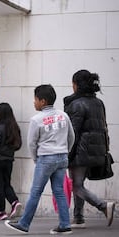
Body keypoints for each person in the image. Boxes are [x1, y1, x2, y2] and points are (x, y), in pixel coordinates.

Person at [4, 84, 75, 234]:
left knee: (36, 191)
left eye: (35, 99)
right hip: (62, 157)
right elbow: (71, 137)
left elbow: (31, 143)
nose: (34, 102)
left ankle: (24, 224)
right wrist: (64, 152)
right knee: (59, 191)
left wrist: (36, 159)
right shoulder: (64, 115)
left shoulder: (37, 119)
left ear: (42, 101)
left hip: (46, 158)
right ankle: (65, 224)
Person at [63, 69, 115, 228]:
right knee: (78, 183)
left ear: (76, 85)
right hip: (95, 150)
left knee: (76, 185)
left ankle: (103, 206)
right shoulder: (98, 102)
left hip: (80, 150)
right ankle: (78, 218)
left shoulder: (76, 104)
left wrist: (67, 154)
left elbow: (72, 133)